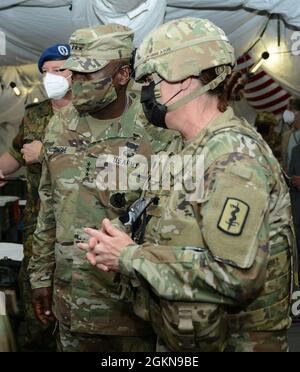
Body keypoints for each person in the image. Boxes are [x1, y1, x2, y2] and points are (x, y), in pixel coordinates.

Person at [81, 17, 297, 352]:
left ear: (183, 79)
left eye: (151, 79)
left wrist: (130, 256)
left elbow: (236, 278)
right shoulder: (183, 147)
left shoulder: (233, 158)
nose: (144, 91)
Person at [28, 24, 179, 352]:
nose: (77, 84)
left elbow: (175, 230)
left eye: (89, 75)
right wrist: (41, 277)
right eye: (75, 75)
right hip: (69, 302)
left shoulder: (159, 132)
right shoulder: (60, 125)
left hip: (132, 312)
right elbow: (49, 205)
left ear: (123, 74)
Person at [0, 44, 72, 351]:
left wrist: (48, 153)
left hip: (80, 233)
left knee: (77, 313)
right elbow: (12, 158)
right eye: (45, 71)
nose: (51, 77)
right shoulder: (35, 115)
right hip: (38, 230)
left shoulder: (95, 115)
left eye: (60, 70)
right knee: (36, 313)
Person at [281, 98, 300, 172]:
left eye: (290, 109)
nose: (286, 112)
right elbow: (286, 159)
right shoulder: (286, 136)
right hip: (290, 179)